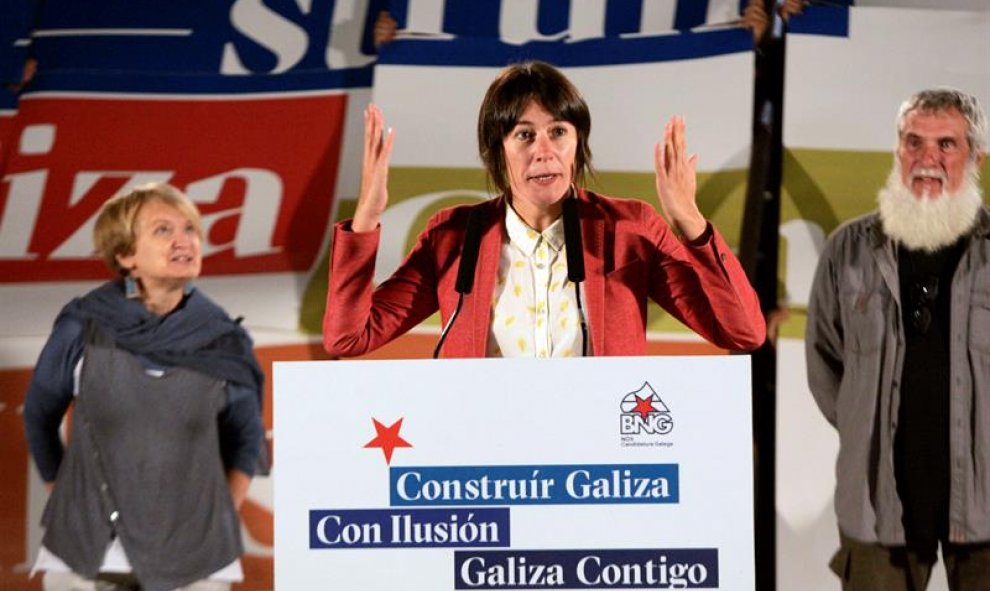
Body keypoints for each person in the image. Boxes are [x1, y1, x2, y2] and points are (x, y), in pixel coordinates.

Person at [323, 60, 765, 358]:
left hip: (598, 465)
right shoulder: (455, 237)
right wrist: (365, 220)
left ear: (579, 143)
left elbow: (742, 332)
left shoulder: (629, 229)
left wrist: (691, 224)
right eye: (524, 135)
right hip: (491, 468)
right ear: (497, 150)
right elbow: (348, 337)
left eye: (559, 131)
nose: (544, 151)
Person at [23, 183, 265, 591]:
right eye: (163, 230)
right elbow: (38, 416)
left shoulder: (225, 339)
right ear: (126, 256)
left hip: (196, 561)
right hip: (88, 556)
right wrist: (67, 496)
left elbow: (247, 435)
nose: (184, 240)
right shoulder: (82, 327)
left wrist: (221, 511)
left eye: (190, 229)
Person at [805, 88, 990, 590]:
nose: (927, 160)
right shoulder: (849, 248)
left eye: (946, 145)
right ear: (897, 150)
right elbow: (825, 362)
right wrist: (863, 422)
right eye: (914, 143)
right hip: (877, 503)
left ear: (975, 156)